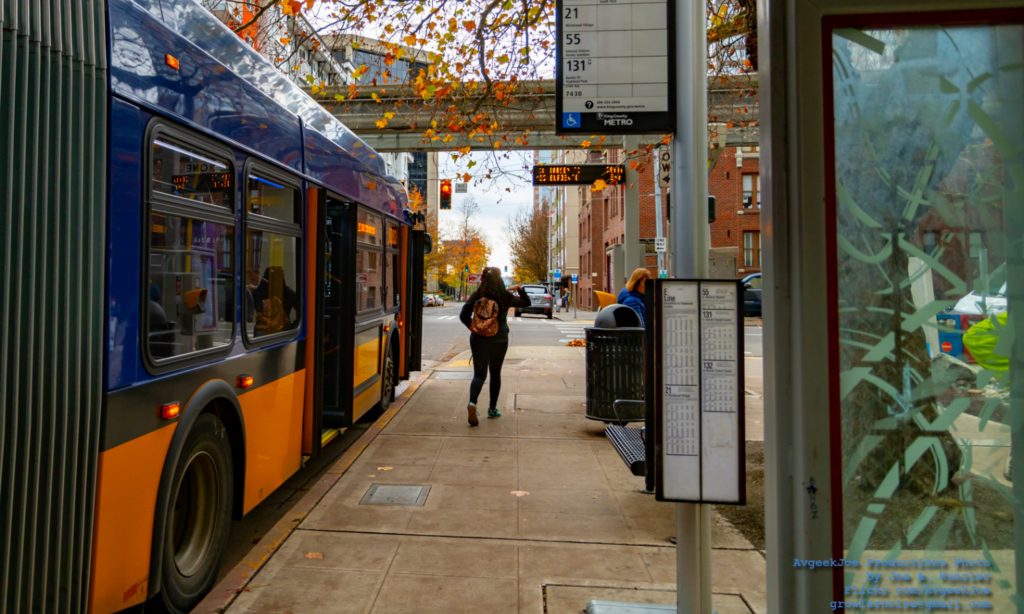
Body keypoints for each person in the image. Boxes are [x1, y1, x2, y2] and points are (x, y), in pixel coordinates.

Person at [459, 267, 531, 425]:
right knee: (495, 373)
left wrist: (475, 328)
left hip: (478, 339)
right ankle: (492, 409)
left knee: (479, 375)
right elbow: (526, 303)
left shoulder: (477, 295)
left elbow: (463, 315)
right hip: (499, 339)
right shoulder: (504, 296)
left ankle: (472, 403)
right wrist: (520, 289)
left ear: (483, 279)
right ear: (499, 280)